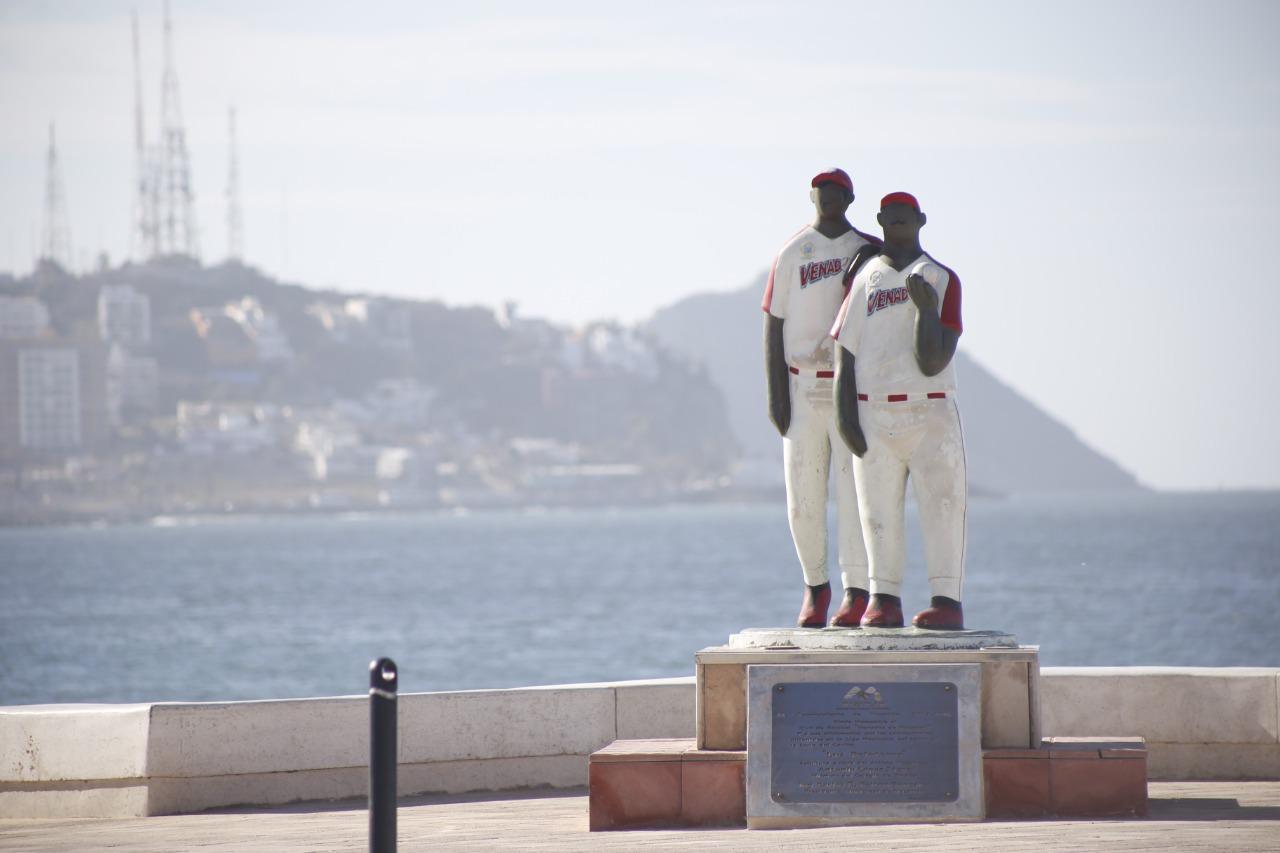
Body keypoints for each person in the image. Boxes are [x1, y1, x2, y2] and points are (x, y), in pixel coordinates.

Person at [830, 191, 967, 630]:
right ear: (880, 220)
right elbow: (844, 350)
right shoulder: (866, 276)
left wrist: (927, 312)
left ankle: (946, 599)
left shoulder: (940, 277)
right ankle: (883, 596)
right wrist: (844, 412)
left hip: (930, 412)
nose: (897, 225)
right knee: (877, 512)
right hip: (874, 412)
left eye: (905, 218)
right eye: (890, 219)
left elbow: (932, 361)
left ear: (921, 220)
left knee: (942, 505)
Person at [762, 167, 881, 628]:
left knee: (855, 493)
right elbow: (773, 323)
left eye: (838, 192)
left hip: (851, 385)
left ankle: (856, 589)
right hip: (802, 383)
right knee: (802, 496)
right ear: (811, 195)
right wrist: (776, 395)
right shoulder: (793, 252)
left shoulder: (868, 250)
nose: (829, 198)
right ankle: (816, 586)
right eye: (822, 192)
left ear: (851, 198)